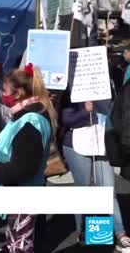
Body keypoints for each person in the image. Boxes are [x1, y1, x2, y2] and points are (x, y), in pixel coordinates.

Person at [0, 64, 56, 253]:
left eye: (6, 90)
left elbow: (22, 168)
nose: (3, 94)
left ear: (19, 92)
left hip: (20, 200)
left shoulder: (30, 122)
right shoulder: (27, 116)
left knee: (19, 249)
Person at [61, 90, 130, 251]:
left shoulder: (108, 84)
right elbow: (66, 119)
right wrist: (85, 111)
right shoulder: (72, 88)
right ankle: (84, 233)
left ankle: (120, 234)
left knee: (108, 191)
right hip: (76, 144)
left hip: (103, 142)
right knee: (84, 191)